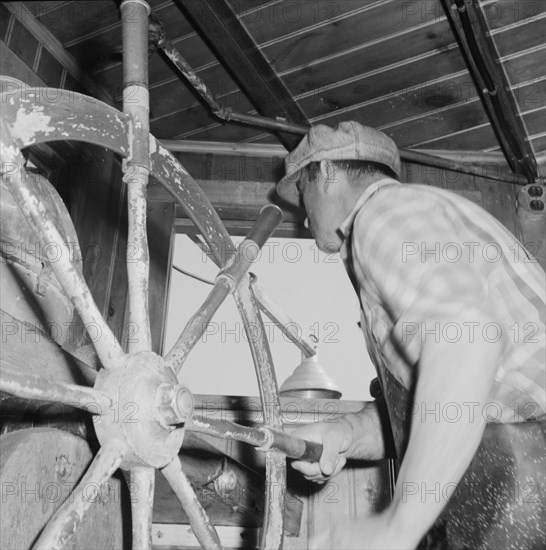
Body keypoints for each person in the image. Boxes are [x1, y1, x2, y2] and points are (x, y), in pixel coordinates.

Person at [276, 122, 545, 549]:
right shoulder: (414, 222)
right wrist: (343, 434)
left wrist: (396, 528)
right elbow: (446, 401)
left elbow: (465, 336)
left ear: (326, 172)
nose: (305, 218)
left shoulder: (382, 214)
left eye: (302, 194)